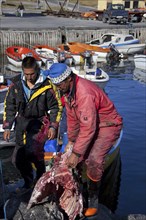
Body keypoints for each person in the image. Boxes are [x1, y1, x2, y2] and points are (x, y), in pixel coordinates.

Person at [47, 63, 123, 217]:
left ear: (68, 79)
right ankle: (78, 194)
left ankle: (94, 201)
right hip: (91, 122)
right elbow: (73, 120)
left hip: (107, 124)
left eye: (59, 84)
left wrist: (76, 152)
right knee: (77, 156)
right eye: (55, 85)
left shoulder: (84, 93)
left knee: (94, 160)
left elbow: (88, 128)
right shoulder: (68, 92)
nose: (58, 87)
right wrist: (72, 141)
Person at [3, 57, 62, 190]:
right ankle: (28, 180)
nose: (29, 77)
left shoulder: (47, 85)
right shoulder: (16, 84)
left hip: (39, 123)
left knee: (34, 153)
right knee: (16, 160)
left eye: (32, 74)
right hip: (21, 123)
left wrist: (53, 126)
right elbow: (10, 106)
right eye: (26, 74)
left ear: (37, 70)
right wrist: (7, 126)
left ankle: (40, 180)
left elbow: (56, 107)